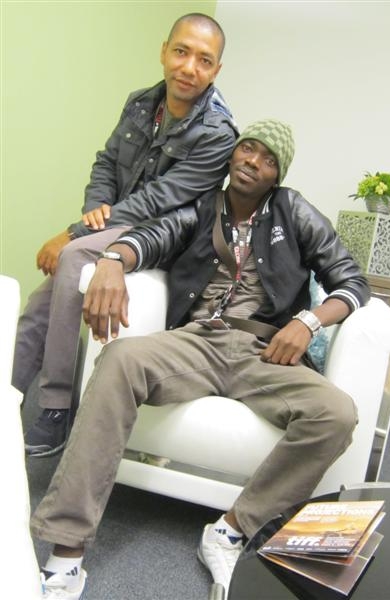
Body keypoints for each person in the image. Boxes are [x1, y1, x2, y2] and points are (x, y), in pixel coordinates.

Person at [30, 119, 370, 599]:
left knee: (336, 413)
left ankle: (231, 530)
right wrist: (111, 260)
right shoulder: (201, 206)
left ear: (278, 175)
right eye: (248, 149)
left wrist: (308, 322)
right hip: (197, 340)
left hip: (265, 350)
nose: (253, 162)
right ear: (234, 154)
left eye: (268, 159)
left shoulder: (293, 211)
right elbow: (152, 237)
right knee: (120, 359)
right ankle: (66, 551)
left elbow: (352, 282)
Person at [13, 12, 237, 458]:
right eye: (181, 52)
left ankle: (56, 407)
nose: (189, 67)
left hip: (163, 235)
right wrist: (95, 208)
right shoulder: (140, 103)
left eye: (204, 60)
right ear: (164, 52)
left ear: (216, 70)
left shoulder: (218, 133)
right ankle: (8, 396)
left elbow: (161, 199)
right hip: (118, 221)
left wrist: (75, 232)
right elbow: (106, 162)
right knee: (41, 303)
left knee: (73, 255)